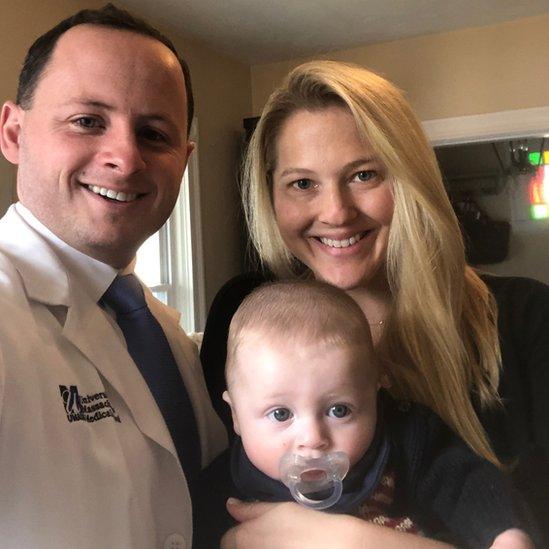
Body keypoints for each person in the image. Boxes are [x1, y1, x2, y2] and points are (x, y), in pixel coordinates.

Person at [199, 60, 549, 547]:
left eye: (364, 175)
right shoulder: (246, 318)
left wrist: (351, 541)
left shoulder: (527, 318)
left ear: (409, 178)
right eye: (302, 183)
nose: (337, 212)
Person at [0, 5, 226, 548]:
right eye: (87, 121)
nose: (125, 158)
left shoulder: (166, 336)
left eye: (153, 134)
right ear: (13, 132)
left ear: (185, 159)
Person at [197, 279, 535, 548]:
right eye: (281, 414)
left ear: (376, 393)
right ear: (236, 417)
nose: (313, 438)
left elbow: (465, 482)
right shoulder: (225, 487)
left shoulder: (407, 441)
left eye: (338, 410)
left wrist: (503, 533)